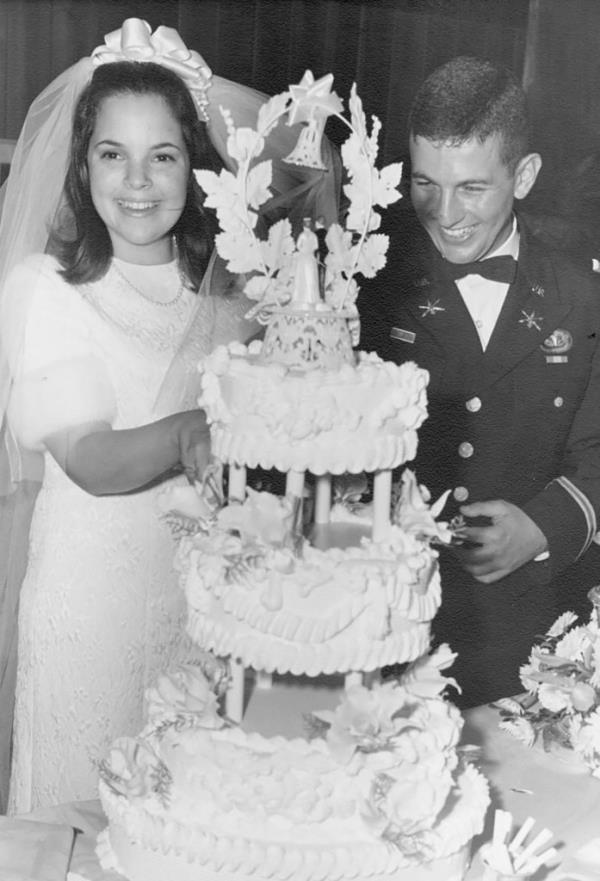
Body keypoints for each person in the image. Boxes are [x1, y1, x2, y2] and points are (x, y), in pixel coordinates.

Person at [0, 20, 340, 813]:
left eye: (165, 155)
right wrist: (192, 430)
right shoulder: (45, 287)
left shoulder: (227, 296)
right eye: (112, 153)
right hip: (89, 620)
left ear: (197, 166)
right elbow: (90, 455)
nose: (138, 180)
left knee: (186, 830)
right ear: (82, 167)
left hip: (196, 617)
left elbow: (313, 161)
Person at [359, 56, 600, 708]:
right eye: (425, 184)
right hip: (385, 631)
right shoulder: (372, 284)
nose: (444, 213)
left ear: (523, 175)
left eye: (472, 188)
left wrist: (545, 525)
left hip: (530, 641)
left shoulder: (582, 297)